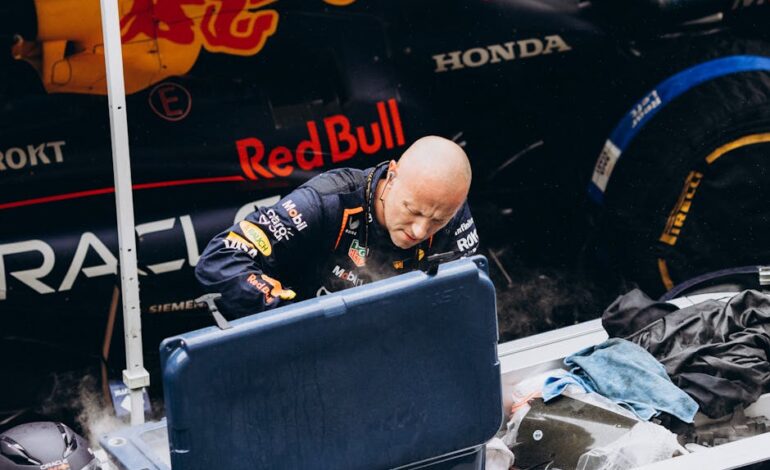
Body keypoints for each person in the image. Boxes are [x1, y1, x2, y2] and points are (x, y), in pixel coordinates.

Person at [195, 135, 480, 318]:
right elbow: (221, 257)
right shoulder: (328, 201)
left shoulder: (451, 213)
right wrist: (287, 313)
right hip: (310, 347)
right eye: (412, 210)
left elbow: (464, 304)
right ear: (392, 176)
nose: (420, 231)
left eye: (437, 220)